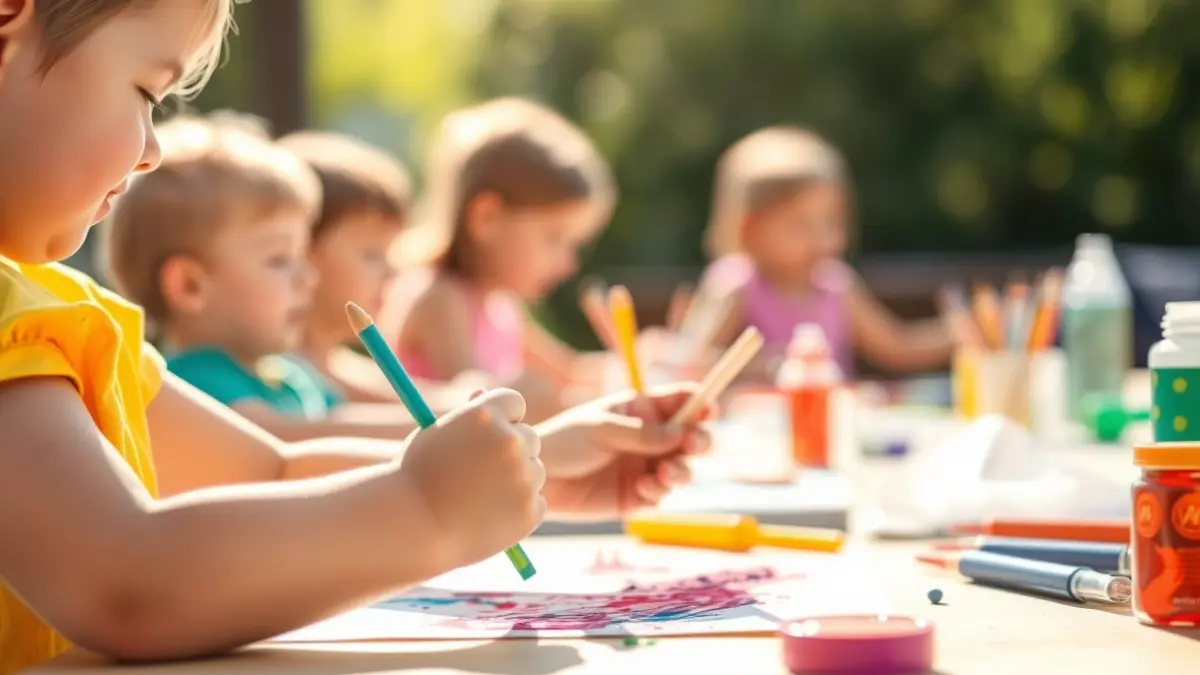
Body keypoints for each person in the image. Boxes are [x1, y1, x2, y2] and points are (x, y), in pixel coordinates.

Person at [0, 1, 708, 671]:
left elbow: (268, 471)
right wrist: (427, 513)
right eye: (147, 94)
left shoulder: (61, 309)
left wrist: (538, 462)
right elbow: (129, 583)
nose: (152, 148)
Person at [101, 112, 430, 441]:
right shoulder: (187, 383)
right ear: (191, 286)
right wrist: (441, 428)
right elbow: (285, 441)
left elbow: (347, 419)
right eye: (279, 260)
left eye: (302, 257)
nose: (308, 279)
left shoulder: (291, 376)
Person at [377, 98, 617, 422]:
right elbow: (474, 406)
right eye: (554, 239)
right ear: (487, 217)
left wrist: (637, 364)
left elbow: (568, 372)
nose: (569, 264)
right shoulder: (440, 299)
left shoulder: (500, 304)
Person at [700, 126, 955, 380]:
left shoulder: (836, 285)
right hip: (759, 420)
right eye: (800, 225)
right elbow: (696, 359)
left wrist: (959, 333)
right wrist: (770, 366)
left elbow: (897, 346)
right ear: (749, 229)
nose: (820, 239)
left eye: (831, 222)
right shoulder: (737, 286)